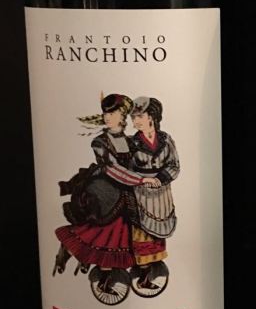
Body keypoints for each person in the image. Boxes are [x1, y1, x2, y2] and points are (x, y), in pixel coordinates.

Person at [54, 93, 156, 292]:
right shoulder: (100, 142)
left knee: (121, 236)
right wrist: (141, 180)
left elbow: (138, 164)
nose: (107, 117)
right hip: (105, 192)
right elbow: (112, 169)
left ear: (123, 115)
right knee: (104, 233)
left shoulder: (131, 141)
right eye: (105, 113)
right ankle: (79, 258)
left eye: (112, 113)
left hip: (127, 192)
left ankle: (109, 276)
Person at [129, 96, 180, 289]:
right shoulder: (131, 143)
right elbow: (127, 170)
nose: (135, 121)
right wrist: (142, 180)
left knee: (159, 233)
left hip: (163, 196)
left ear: (151, 116)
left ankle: (153, 271)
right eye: (133, 117)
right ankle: (143, 275)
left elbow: (174, 165)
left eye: (139, 116)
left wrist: (160, 179)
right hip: (141, 195)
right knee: (142, 234)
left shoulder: (166, 140)